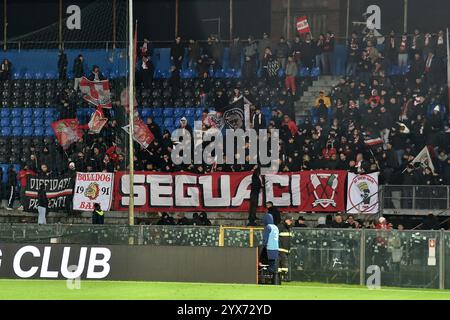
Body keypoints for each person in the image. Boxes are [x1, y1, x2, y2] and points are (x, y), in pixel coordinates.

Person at [262, 213, 280, 285]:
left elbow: (265, 239)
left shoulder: (268, 227)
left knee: (264, 264)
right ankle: (273, 281)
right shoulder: (276, 227)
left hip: (268, 249)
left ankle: (265, 281)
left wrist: (263, 247)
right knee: (272, 265)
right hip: (275, 249)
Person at [278, 215, 294, 281]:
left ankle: (281, 277)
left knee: (282, 264)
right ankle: (283, 277)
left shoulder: (289, 228)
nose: (291, 222)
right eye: (290, 221)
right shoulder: (280, 226)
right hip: (281, 249)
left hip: (287, 250)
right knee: (284, 263)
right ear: (286, 220)